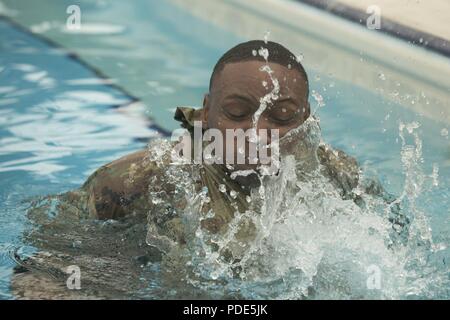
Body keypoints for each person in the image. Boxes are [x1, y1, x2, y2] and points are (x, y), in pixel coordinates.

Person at [11, 40, 408, 298]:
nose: (258, 133)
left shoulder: (337, 177)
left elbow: (399, 251)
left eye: (284, 116)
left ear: (307, 122)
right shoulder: (137, 181)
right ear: (206, 111)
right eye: (237, 112)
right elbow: (43, 269)